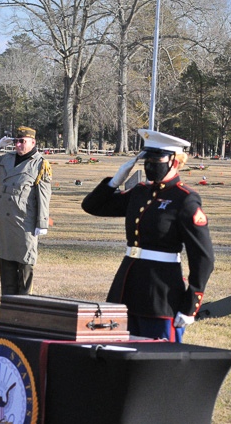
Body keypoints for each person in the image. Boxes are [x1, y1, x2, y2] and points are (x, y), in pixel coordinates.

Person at [81, 129, 214, 342]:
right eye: (147, 159)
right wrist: (114, 182)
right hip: (127, 285)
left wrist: (190, 305)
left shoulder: (185, 199)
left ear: (174, 161)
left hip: (161, 291)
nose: (150, 164)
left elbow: (203, 257)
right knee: (116, 349)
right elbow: (92, 206)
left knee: (159, 355)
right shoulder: (140, 192)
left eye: (156, 159)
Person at [0, 126, 52, 296]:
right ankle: (8, 301)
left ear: (33, 142)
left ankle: (24, 302)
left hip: (24, 221)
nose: (18, 145)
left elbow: (44, 196)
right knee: (5, 260)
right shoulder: (7, 158)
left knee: (25, 261)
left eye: (22, 141)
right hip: (4, 218)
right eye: (16, 141)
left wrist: (42, 223)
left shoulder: (40, 164)